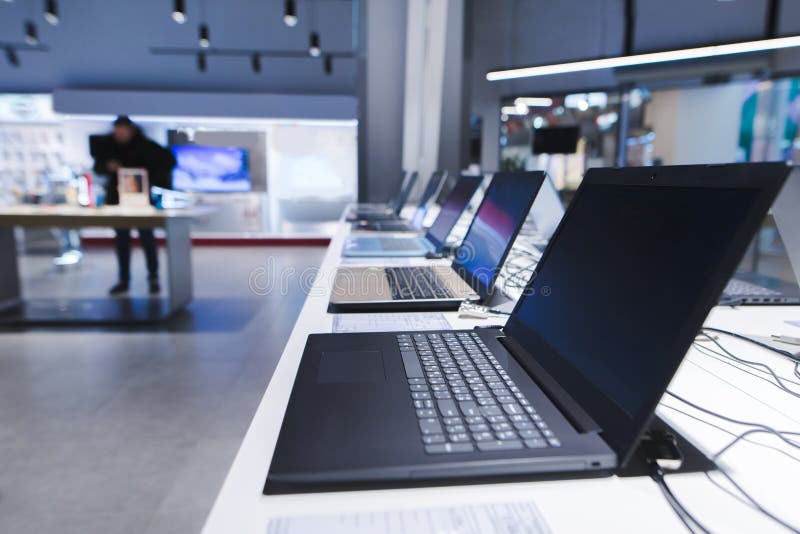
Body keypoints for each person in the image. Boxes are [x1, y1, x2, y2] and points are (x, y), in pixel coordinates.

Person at [91, 116, 176, 295]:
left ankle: (153, 278)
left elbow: (167, 162)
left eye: (123, 132)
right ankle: (124, 280)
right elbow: (98, 166)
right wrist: (108, 166)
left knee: (147, 239)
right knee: (122, 242)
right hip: (118, 201)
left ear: (130, 130)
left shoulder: (145, 147)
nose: (120, 135)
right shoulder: (108, 147)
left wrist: (148, 177)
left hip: (141, 202)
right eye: (117, 132)